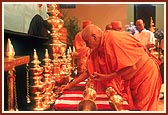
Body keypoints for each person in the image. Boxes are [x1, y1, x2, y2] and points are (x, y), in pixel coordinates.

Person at [76, 24, 161, 111]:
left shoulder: (113, 39)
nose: (86, 45)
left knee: (143, 108)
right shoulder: (99, 46)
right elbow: (89, 71)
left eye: (87, 42)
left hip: (145, 74)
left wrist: (107, 77)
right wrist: (70, 85)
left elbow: (132, 67)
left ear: (94, 37)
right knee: (136, 108)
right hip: (131, 79)